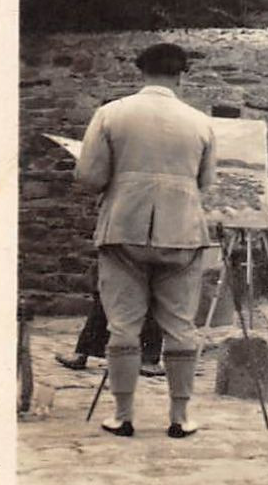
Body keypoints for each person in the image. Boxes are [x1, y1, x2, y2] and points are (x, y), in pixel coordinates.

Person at [75, 42, 217, 438]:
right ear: (180, 74)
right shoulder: (200, 123)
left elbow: (89, 177)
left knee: (123, 326)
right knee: (180, 326)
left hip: (123, 229)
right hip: (183, 233)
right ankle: (180, 417)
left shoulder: (111, 113)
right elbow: (205, 183)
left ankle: (123, 415)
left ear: (141, 71)